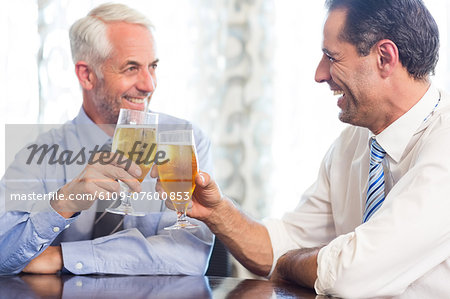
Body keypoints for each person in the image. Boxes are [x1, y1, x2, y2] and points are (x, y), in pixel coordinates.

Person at [162, 0, 450, 297]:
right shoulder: (352, 143)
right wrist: (216, 212)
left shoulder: (445, 143)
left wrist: (287, 265)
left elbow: (350, 274)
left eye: (331, 57)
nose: (319, 74)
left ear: (385, 58)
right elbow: (284, 244)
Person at [0, 3, 213, 275]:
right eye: (131, 68)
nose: (149, 85)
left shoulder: (183, 141)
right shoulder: (41, 151)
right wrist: (63, 203)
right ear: (86, 75)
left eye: (153, 66)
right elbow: (2, 252)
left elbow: (189, 255)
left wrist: (63, 257)